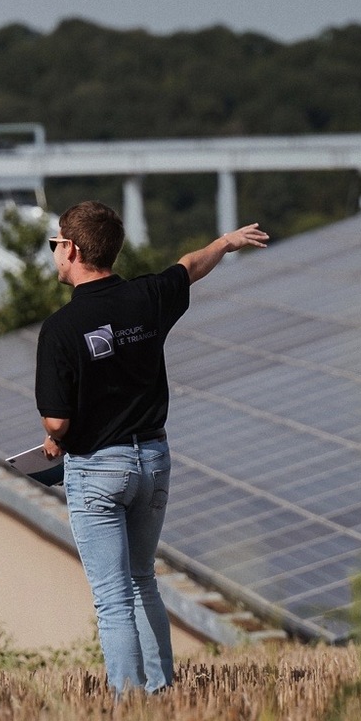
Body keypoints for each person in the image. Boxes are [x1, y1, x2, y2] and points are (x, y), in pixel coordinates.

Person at [37, 201, 268, 695]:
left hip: (98, 469)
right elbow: (189, 266)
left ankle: (129, 700)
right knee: (143, 579)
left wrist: (57, 439)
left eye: (56, 243)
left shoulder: (60, 329)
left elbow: (57, 419)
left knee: (112, 598)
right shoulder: (146, 298)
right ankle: (161, 690)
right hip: (154, 461)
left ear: (73, 249)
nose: (55, 252)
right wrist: (225, 242)